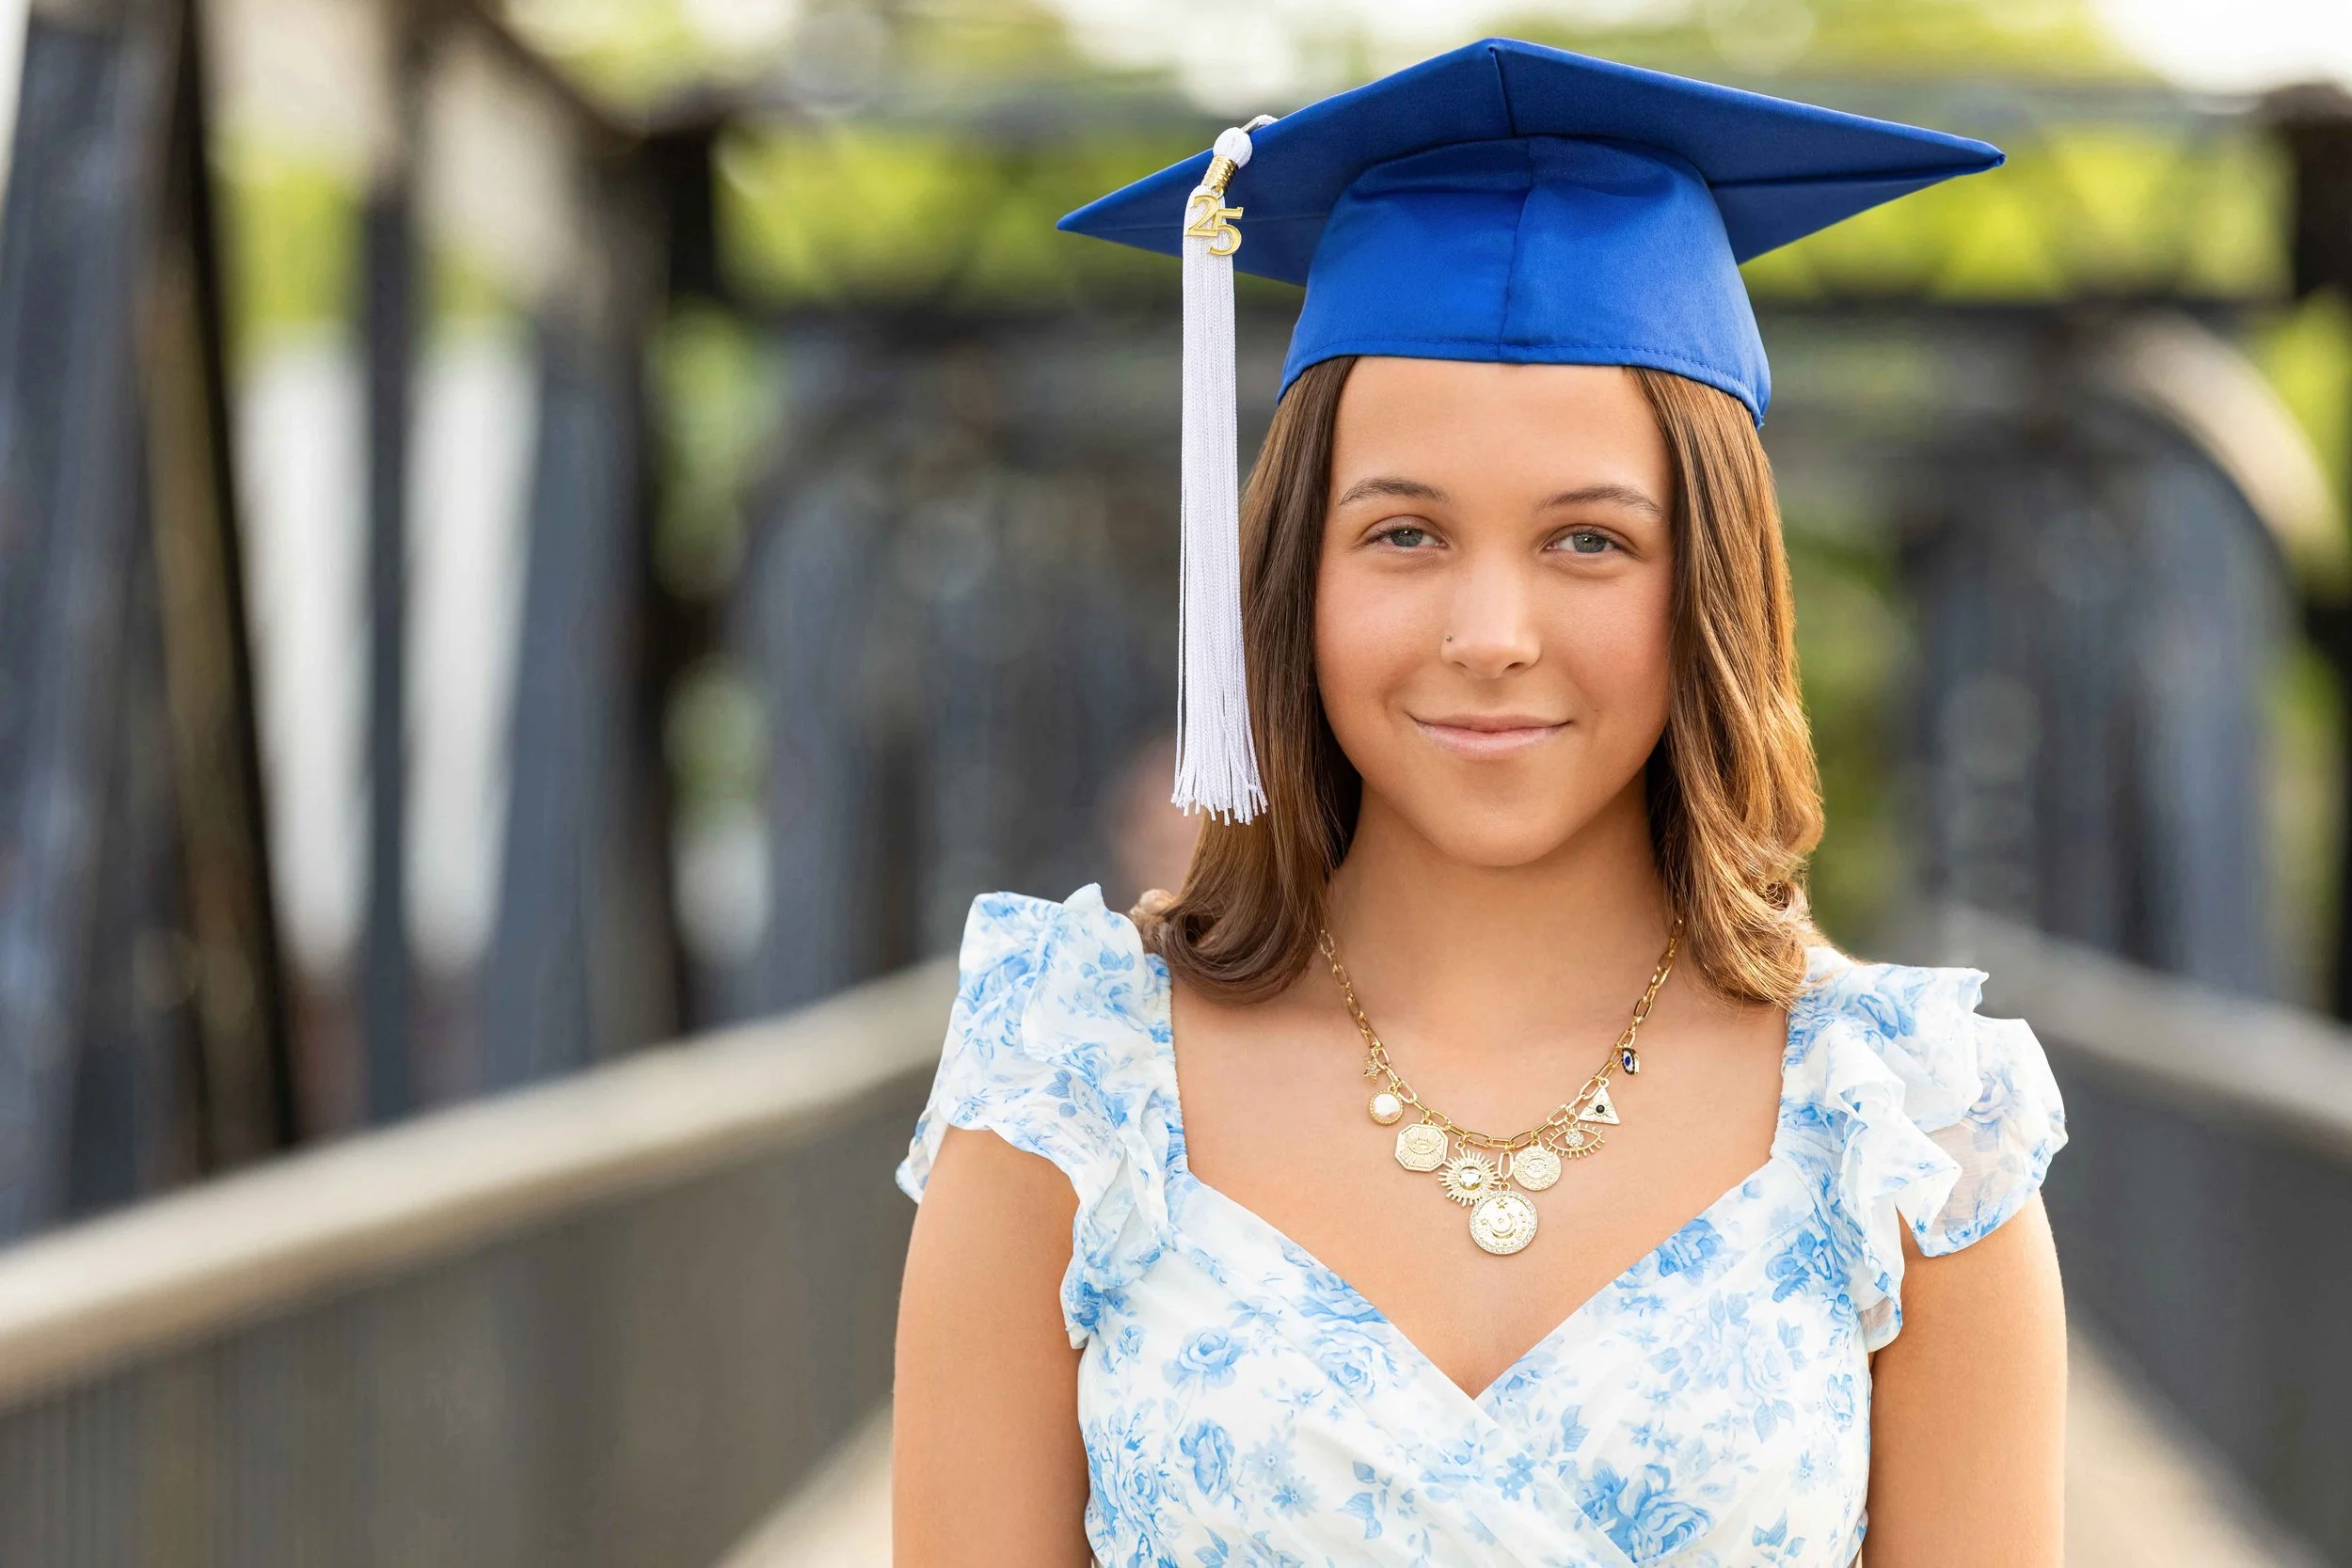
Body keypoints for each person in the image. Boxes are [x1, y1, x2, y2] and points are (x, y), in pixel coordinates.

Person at [891, 38, 2068, 1567]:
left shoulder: (1910, 1137)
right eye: (1403, 534)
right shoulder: (1069, 1088)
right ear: (1290, 574)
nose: (1490, 631)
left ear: (1708, 584)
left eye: (1589, 541)